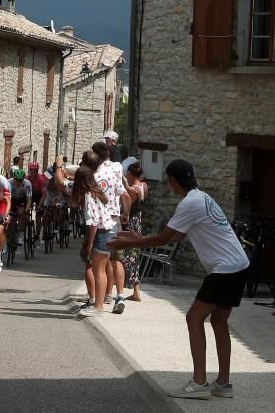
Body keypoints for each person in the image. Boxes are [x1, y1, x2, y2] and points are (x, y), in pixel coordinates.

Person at [109, 160, 248, 400]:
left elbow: (164, 239)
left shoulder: (189, 203)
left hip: (225, 269)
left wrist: (131, 240)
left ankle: (199, 383)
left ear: (173, 180)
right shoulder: (201, 197)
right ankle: (223, 385)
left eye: (168, 179)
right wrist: (140, 238)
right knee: (218, 321)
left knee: (194, 317)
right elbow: (176, 236)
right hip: (240, 265)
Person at [73, 157, 113, 318]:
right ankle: (98, 304)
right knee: (100, 270)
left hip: (102, 234)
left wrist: (89, 245)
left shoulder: (89, 197)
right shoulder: (97, 193)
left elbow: (93, 224)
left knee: (99, 271)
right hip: (109, 232)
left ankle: (98, 306)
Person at [92, 141, 127, 314]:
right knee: (117, 259)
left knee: (101, 263)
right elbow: (125, 195)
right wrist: (125, 213)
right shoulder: (116, 170)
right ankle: (119, 295)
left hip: (101, 219)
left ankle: (102, 297)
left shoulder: (95, 174)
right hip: (116, 218)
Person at [120, 161, 149, 303]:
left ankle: (120, 287)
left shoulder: (132, 190)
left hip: (130, 224)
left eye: (127, 174)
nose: (126, 176)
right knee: (134, 257)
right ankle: (136, 291)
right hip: (138, 222)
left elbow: (127, 209)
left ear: (131, 174)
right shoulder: (144, 186)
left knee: (124, 257)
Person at [9, 167, 33, 248]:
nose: (18, 182)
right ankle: (8, 240)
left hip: (23, 199)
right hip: (12, 199)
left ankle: (21, 235)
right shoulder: (9, 182)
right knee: (9, 218)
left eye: (20, 180)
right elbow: (7, 198)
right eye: (16, 180)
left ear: (23, 179)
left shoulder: (27, 184)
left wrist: (26, 210)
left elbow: (29, 199)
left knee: (21, 213)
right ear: (14, 178)